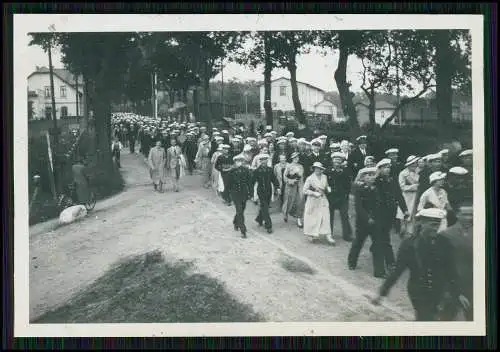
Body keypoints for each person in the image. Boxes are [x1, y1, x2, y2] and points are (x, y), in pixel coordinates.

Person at [371, 208, 464, 322]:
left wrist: (458, 293)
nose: (435, 228)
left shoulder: (444, 243)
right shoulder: (410, 244)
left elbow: (451, 270)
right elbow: (397, 270)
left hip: (439, 290)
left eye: (437, 225)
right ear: (422, 223)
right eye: (432, 225)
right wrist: (382, 293)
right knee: (425, 319)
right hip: (418, 292)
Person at [372, 158, 409, 278]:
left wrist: (405, 210)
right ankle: (380, 270)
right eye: (385, 167)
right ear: (380, 169)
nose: (387, 169)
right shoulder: (376, 181)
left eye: (389, 167)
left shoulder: (392, 181)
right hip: (377, 215)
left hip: (389, 215)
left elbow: (399, 195)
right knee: (379, 241)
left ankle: (390, 263)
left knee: (385, 239)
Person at [438, 205, 473, 321]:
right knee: (447, 317)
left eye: (471, 214)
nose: (469, 218)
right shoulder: (446, 234)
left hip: (472, 283)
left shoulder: (480, 233)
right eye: (465, 214)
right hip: (452, 283)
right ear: (457, 215)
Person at [347, 166, 378, 272]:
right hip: (362, 221)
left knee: (377, 244)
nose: (372, 177)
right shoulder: (360, 190)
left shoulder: (377, 189)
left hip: (375, 220)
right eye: (369, 175)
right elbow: (359, 207)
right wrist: (367, 218)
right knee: (358, 242)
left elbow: (378, 205)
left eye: (373, 175)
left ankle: (379, 270)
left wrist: (375, 217)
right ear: (363, 178)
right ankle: (352, 262)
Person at [303, 162, 335, 245]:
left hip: (323, 199)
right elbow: (304, 190)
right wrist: (313, 193)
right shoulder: (310, 178)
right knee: (313, 217)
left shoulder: (324, 177)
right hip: (313, 200)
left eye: (319, 169)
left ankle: (328, 235)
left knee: (326, 216)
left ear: (322, 170)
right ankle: (311, 234)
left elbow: (327, 186)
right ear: (313, 169)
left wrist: (329, 189)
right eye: (316, 168)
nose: (317, 170)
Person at [326, 151, 353, 242]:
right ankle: (329, 234)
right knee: (330, 216)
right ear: (332, 161)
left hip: (342, 197)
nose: (337, 162)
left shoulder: (346, 171)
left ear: (342, 161)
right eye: (335, 160)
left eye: (339, 160)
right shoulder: (328, 171)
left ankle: (346, 235)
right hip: (331, 197)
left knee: (344, 216)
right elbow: (325, 183)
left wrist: (346, 195)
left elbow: (348, 185)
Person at [252, 154, 280, 233]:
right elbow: (252, 182)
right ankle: (268, 226)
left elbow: (274, 179)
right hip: (260, 191)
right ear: (260, 161)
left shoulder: (270, 170)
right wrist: (250, 192)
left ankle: (259, 219)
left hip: (268, 191)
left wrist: (277, 187)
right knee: (265, 208)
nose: (263, 162)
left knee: (265, 206)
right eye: (262, 160)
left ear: (267, 161)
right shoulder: (257, 171)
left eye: (265, 160)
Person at [228, 154, 254, 238]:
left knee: (241, 210)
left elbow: (250, 183)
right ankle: (243, 230)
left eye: (240, 161)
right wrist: (230, 195)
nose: (239, 163)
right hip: (235, 194)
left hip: (244, 193)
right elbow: (229, 184)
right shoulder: (232, 171)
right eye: (237, 161)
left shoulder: (246, 170)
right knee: (239, 210)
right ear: (235, 162)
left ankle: (236, 222)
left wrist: (251, 193)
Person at [397, 155, 420, 235]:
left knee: (413, 215)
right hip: (406, 196)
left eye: (416, 163)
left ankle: (410, 233)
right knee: (405, 214)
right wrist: (414, 187)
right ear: (409, 164)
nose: (415, 165)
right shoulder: (403, 173)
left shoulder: (418, 171)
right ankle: (403, 229)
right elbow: (402, 187)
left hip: (415, 197)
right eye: (413, 163)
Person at [282, 152, 305, 228]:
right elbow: (285, 177)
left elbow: (301, 177)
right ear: (292, 159)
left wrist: (303, 186)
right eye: (295, 158)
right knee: (289, 201)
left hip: (299, 186)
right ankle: (285, 214)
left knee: (300, 202)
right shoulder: (289, 166)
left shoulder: (301, 166)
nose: (296, 159)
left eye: (297, 157)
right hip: (290, 187)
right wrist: (290, 181)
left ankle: (299, 219)